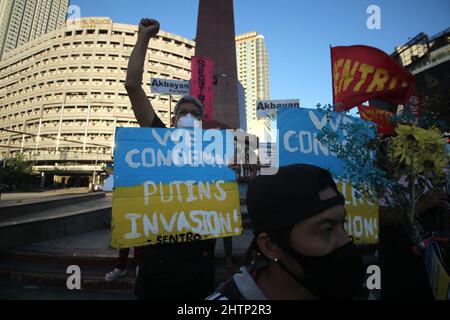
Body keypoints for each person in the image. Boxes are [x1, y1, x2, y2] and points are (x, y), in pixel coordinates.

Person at [124, 18, 216, 300]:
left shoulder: (213, 152)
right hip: (159, 263)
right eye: (183, 113)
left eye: (196, 114)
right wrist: (143, 38)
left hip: (201, 265)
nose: (189, 117)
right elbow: (132, 86)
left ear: (202, 121)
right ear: (174, 120)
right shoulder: (159, 139)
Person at [207, 164, 365, 300]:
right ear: (271, 246)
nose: (345, 240)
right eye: (326, 230)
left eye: (343, 224)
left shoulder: (354, 292)